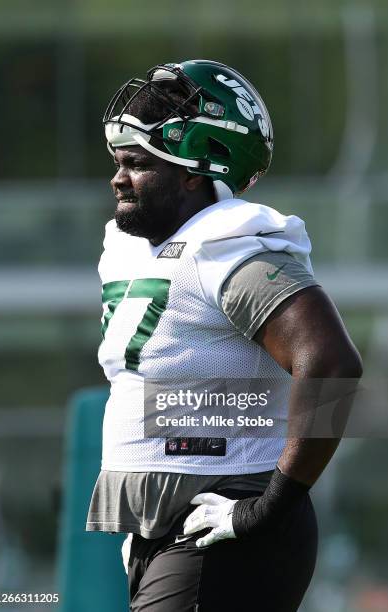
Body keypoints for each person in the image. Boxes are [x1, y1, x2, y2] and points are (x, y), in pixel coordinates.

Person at [86, 59, 362, 611]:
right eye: (118, 161)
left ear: (196, 172)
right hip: (171, 528)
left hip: (226, 520)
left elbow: (333, 365)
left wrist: (271, 506)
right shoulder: (132, 245)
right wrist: (149, 518)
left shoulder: (227, 244)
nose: (118, 178)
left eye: (138, 163)